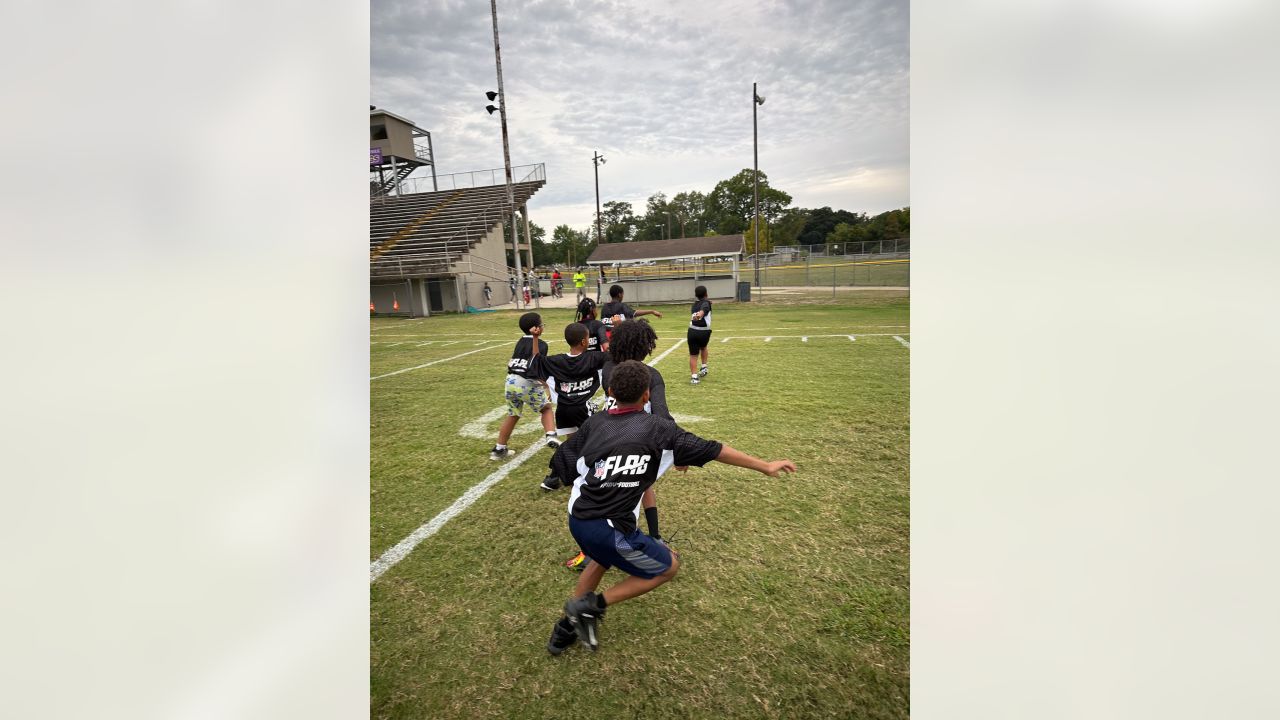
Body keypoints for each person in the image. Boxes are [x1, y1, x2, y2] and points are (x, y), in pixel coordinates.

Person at [544, 360, 797, 654]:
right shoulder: (658, 428)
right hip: (608, 527)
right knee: (667, 568)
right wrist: (765, 466)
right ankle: (591, 606)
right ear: (647, 395)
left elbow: (562, 463)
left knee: (602, 558)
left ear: (611, 391)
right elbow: (715, 450)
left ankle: (564, 630)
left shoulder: (595, 423)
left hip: (578, 519)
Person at [490, 313, 559, 460]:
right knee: (546, 409)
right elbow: (536, 365)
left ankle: (499, 449)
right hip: (526, 381)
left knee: (513, 414)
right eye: (541, 324)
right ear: (535, 328)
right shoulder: (541, 344)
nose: (542, 326)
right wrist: (547, 386)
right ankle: (551, 435)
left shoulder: (520, 341)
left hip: (510, 380)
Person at [528, 322, 610, 444]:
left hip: (562, 410)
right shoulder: (593, 358)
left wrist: (535, 338)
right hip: (582, 408)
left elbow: (535, 361)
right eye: (588, 338)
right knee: (595, 441)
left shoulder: (557, 361)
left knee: (571, 442)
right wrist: (617, 327)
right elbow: (615, 354)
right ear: (583, 342)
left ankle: (571, 459)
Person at [687, 285, 713, 385]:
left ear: (696, 296)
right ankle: (704, 366)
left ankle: (694, 377)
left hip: (692, 331)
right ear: (706, 294)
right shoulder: (706, 303)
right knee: (703, 347)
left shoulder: (694, 305)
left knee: (693, 355)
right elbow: (704, 309)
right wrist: (700, 315)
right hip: (703, 332)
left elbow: (703, 306)